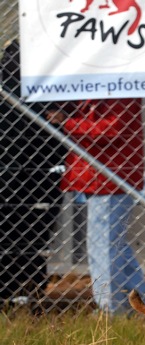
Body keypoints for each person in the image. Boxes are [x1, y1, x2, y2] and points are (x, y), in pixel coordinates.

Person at [60, 97, 145, 315]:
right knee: (115, 246)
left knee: (103, 247)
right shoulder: (94, 92)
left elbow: (111, 129)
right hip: (100, 176)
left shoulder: (117, 90)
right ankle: (141, 307)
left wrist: (67, 122)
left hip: (110, 179)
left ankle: (111, 310)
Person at [0, 39, 64, 302]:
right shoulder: (49, 86)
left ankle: (18, 291)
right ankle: (26, 290)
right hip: (39, 174)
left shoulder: (49, 86)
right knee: (31, 235)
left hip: (32, 173)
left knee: (19, 234)